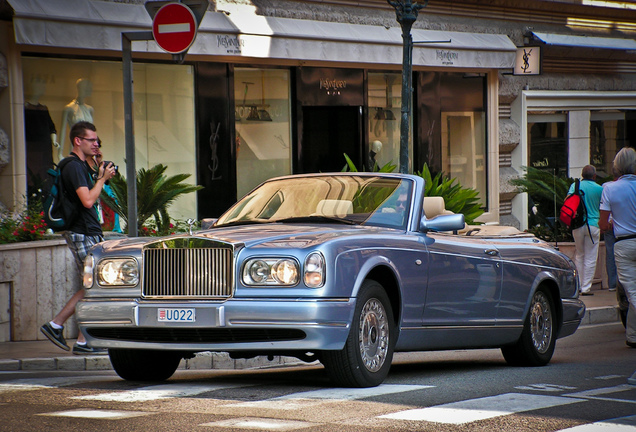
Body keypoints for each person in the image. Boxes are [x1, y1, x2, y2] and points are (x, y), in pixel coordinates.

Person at [40, 121, 116, 355]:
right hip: (82, 232)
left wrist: (99, 168)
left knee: (92, 285)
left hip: (88, 230)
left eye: (97, 140)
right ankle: (59, 326)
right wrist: (101, 180)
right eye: (92, 140)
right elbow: (88, 200)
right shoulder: (72, 167)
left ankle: (81, 339)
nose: (96, 144)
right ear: (77, 141)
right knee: (95, 285)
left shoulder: (82, 165)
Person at [599, 147, 636, 348]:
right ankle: (632, 335)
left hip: (624, 243)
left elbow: (603, 225)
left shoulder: (609, 188)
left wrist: (617, 223)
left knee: (631, 293)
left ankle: (633, 336)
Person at [568, 165, 603, 296]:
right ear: (594, 176)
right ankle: (586, 287)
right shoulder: (600, 189)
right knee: (591, 257)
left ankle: (578, 285)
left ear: (582, 175)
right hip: (593, 225)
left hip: (577, 225)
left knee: (579, 255)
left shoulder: (575, 186)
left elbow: (568, 201)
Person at [59, 78, 94, 162]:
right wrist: (59, 153)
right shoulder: (69, 108)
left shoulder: (90, 109)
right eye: (85, 87)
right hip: (76, 146)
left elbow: (93, 132)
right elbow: (62, 131)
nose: (88, 90)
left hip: (89, 148)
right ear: (79, 88)